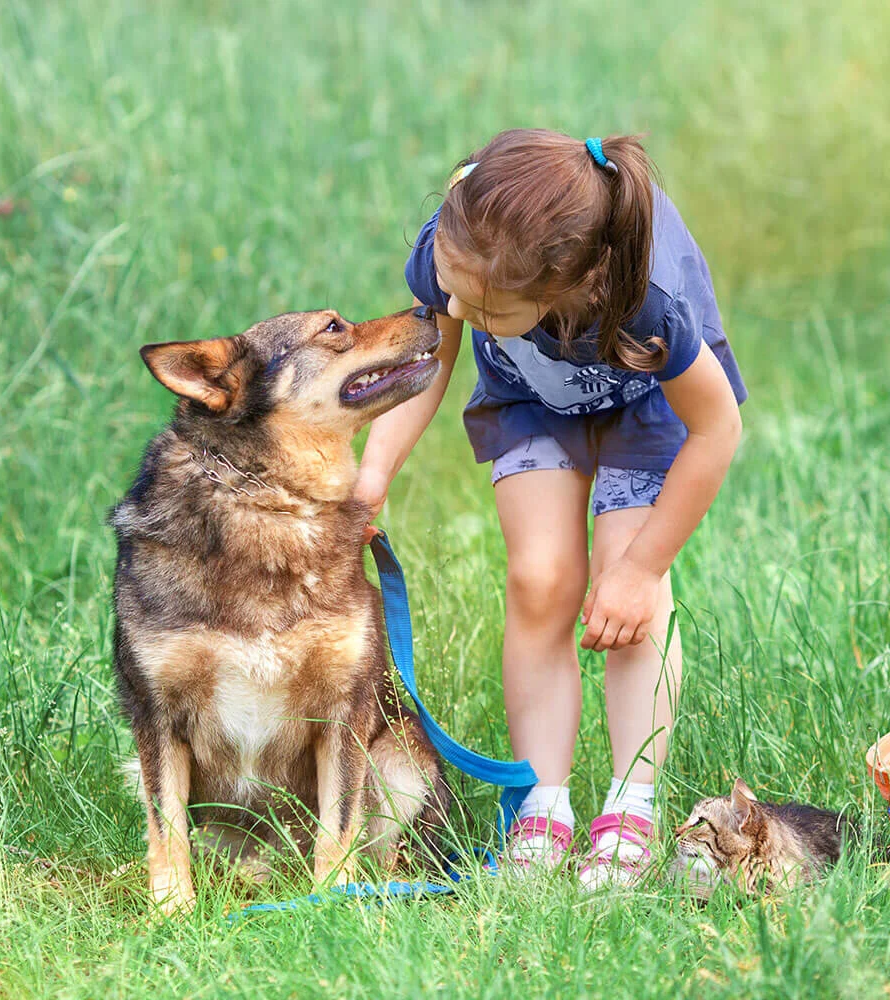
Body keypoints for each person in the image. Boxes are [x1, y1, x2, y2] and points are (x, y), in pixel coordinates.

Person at [356, 129, 746, 888]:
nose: (457, 307)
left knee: (622, 599)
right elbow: (429, 355)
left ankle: (632, 808)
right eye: (452, 286)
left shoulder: (644, 305)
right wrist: (373, 473)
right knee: (540, 580)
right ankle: (544, 805)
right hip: (529, 402)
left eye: (487, 310)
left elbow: (717, 426)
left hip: (648, 406)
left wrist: (642, 568)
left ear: (569, 287)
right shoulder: (463, 237)